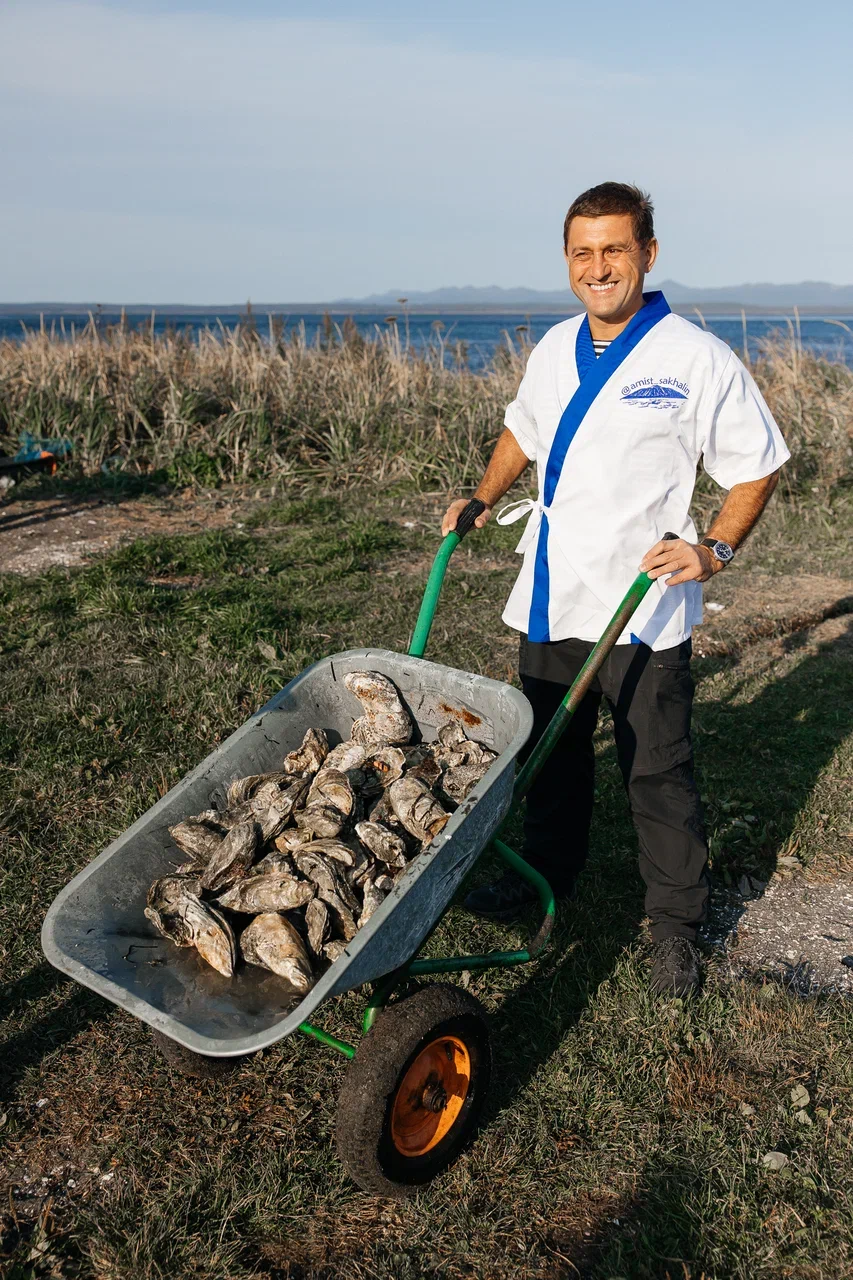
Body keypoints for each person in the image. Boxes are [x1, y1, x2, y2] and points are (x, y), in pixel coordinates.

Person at [442, 182, 789, 996]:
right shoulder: (554, 346)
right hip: (552, 592)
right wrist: (484, 496)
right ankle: (548, 886)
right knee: (549, 758)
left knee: (656, 772)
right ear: (568, 261)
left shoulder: (695, 358)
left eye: (614, 250)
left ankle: (675, 926)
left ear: (648, 255)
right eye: (582, 253)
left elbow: (756, 463)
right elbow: (523, 430)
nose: (598, 268)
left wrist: (714, 550)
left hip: (643, 608)